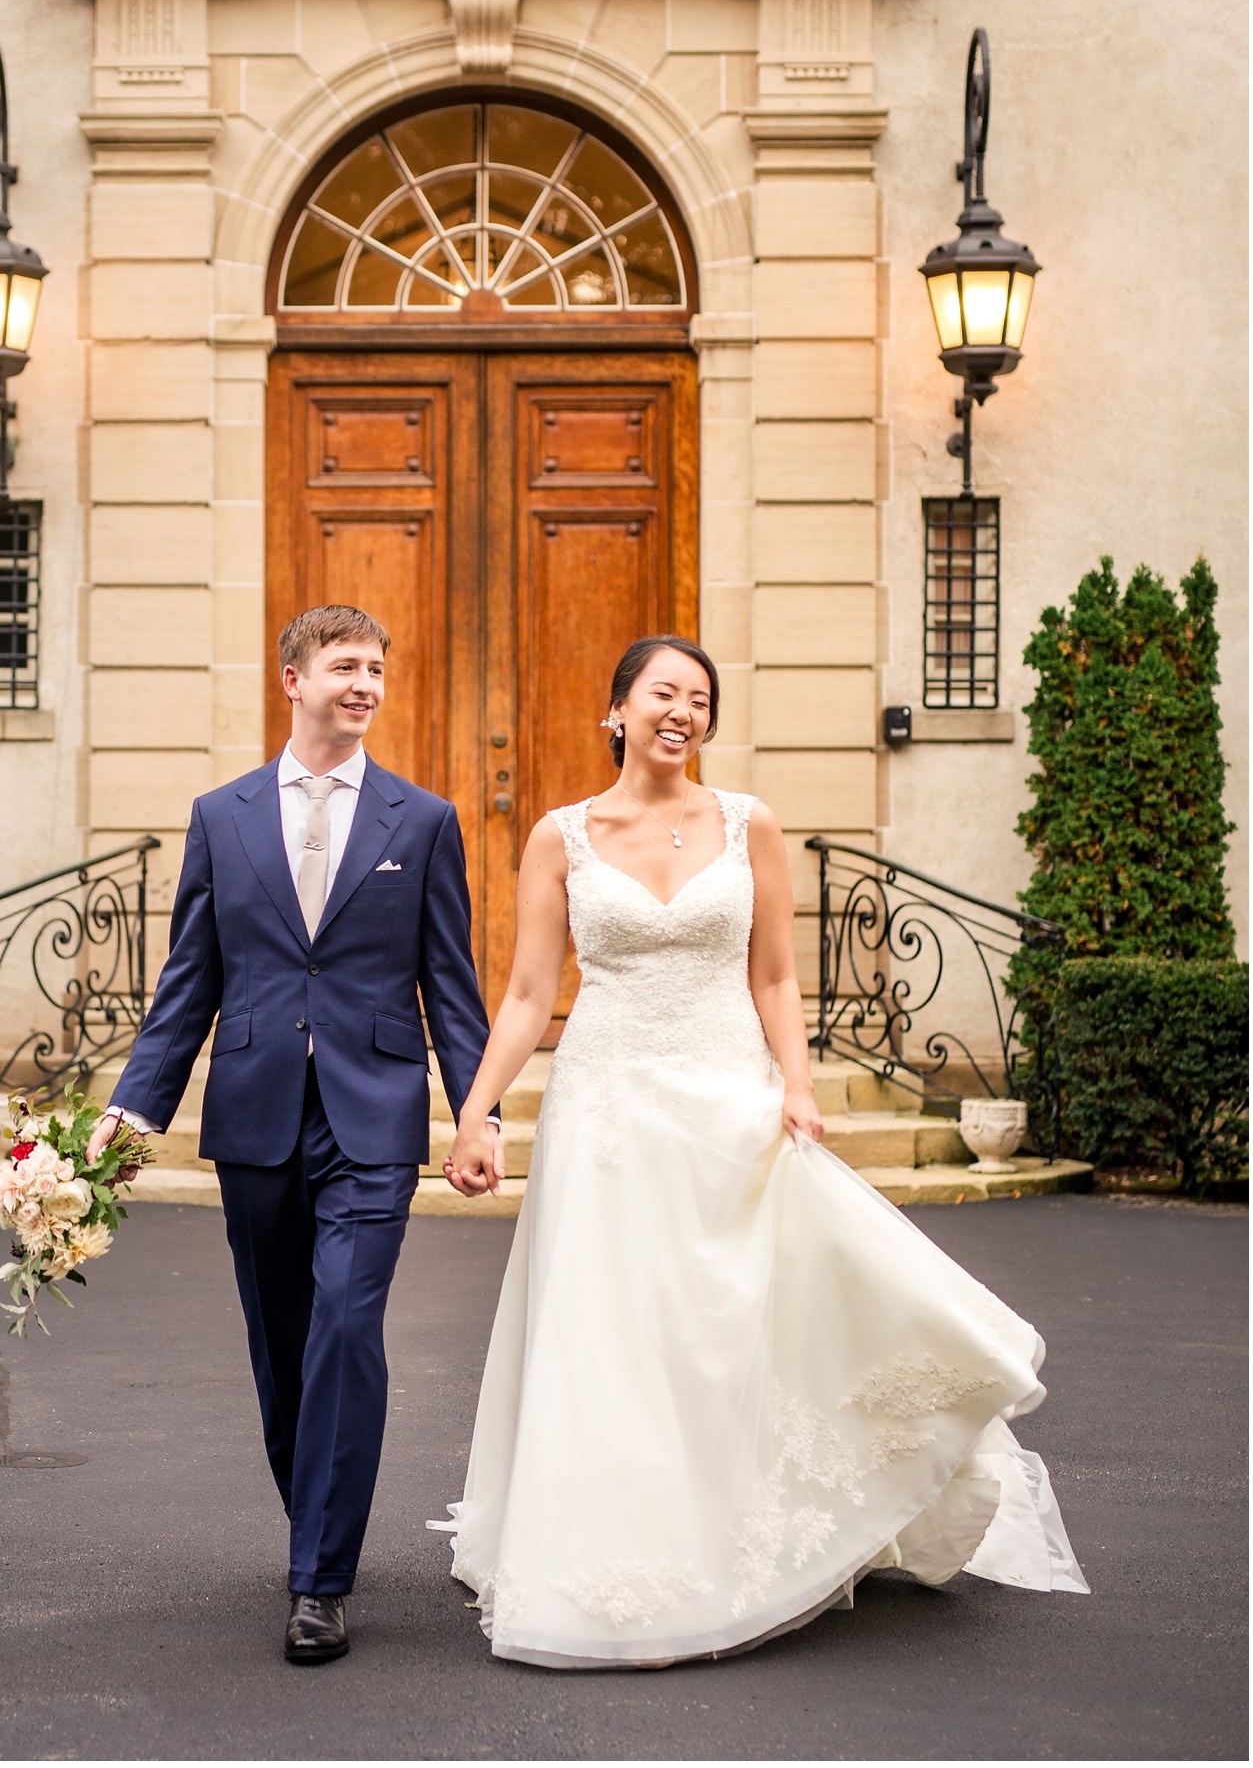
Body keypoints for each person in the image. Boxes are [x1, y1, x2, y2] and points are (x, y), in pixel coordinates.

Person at [437, 634, 1087, 1669]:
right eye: (661, 692)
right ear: (616, 711)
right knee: (615, 1330)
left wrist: (795, 1086)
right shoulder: (561, 836)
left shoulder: (750, 826)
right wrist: (474, 1111)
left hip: (723, 1095)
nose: (680, 711)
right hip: (604, 1108)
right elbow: (525, 994)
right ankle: (623, 1542)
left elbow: (777, 977)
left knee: (723, 1317)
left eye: (698, 698)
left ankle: (746, 1520)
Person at [90, 604, 494, 1666]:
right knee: (282, 1349)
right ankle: (315, 1513)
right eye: (344, 666)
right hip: (258, 1110)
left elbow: (449, 984)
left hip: (372, 1114)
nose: (363, 683)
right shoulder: (221, 817)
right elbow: (190, 983)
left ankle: (320, 1578)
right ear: (292, 679)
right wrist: (132, 1115)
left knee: (346, 1331)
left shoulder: (422, 820)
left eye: (375, 668)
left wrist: (476, 1109)